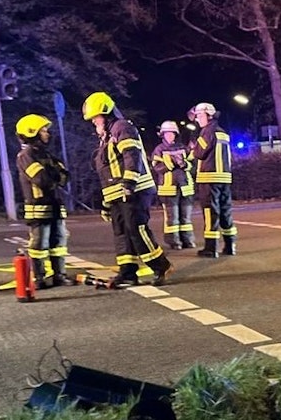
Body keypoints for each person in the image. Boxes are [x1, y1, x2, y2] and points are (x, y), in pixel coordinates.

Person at [81, 91, 172, 287]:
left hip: (135, 190)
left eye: (96, 117)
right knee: (121, 232)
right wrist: (107, 202)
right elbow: (108, 172)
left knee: (137, 229)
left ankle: (160, 266)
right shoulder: (107, 136)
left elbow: (132, 155)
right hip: (118, 195)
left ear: (106, 113)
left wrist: (129, 183)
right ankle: (128, 272)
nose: (94, 122)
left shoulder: (122, 128)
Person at [14, 113, 72, 289]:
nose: (47, 133)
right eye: (43, 130)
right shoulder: (26, 155)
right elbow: (41, 179)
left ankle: (59, 275)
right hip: (38, 208)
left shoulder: (46, 154)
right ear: (32, 132)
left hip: (54, 205)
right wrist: (54, 174)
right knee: (40, 243)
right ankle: (40, 278)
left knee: (59, 242)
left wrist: (53, 174)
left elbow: (65, 177)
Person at [187, 101, 237, 258]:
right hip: (225, 178)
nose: (197, 119)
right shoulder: (223, 132)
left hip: (209, 178)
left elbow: (200, 153)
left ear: (208, 115)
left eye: (199, 116)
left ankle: (211, 248)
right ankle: (230, 246)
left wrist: (192, 149)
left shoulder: (207, 131)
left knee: (210, 213)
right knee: (226, 212)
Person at [151, 120, 196, 249]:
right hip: (168, 189)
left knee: (186, 218)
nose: (170, 136)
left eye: (172, 133)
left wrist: (185, 164)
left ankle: (187, 240)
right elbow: (156, 167)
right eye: (167, 134)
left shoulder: (183, 148)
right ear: (163, 135)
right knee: (173, 218)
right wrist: (172, 164)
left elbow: (192, 165)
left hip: (185, 187)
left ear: (176, 134)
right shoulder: (159, 150)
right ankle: (174, 241)